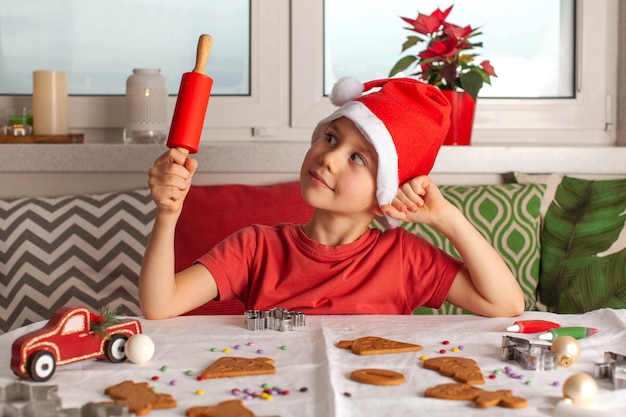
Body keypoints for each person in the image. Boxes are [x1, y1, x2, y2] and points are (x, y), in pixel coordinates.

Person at [139, 77, 525, 320]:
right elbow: (160, 305)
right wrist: (169, 212)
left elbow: (506, 305)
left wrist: (447, 218)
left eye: (357, 158)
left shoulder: (405, 258)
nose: (329, 158)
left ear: (385, 195)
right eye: (331, 138)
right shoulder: (255, 248)